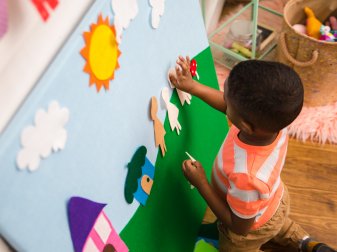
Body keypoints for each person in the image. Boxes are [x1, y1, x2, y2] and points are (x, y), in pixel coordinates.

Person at [169, 57, 335, 252]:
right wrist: (193, 87)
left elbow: (239, 226)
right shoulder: (274, 125)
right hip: (274, 202)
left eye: (227, 101)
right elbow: (230, 108)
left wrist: (201, 183)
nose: (224, 100)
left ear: (246, 125)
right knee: (281, 225)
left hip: (249, 227)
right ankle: (306, 243)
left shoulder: (246, 177)